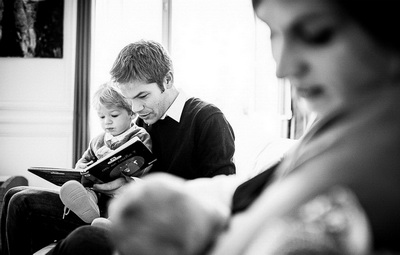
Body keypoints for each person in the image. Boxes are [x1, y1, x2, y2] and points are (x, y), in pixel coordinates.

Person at [45, 0, 400, 254]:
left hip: (183, 227)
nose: (282, 66)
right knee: (31, 205)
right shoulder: (333, 128)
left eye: (315, 32)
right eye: (273, 33)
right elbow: (234, 193)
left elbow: (224, 186)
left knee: (84, 241)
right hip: (173, 218)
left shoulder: (376, 149)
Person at [0, 39, 235, 255]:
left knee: (79, 236)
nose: (136, 108)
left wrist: (133, 189)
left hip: (154, 224)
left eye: (143, 96)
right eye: (129, 99)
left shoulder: (206, 119)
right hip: (108, 208)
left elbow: (223, 197)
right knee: (17, 197)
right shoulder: (142, 120)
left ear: (168, 80)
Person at [59, 82, 152, 224]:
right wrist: (87, 168)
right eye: (102, 117)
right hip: (98, 189)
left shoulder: (139, 136)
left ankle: (111, 224)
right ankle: (89, 207)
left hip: (123, 188)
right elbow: (82, 163)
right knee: (87, 191)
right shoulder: (97, 141)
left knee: (127, 199)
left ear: (131, 113)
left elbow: (145, 164)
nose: (107, 122)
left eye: (114, 115)